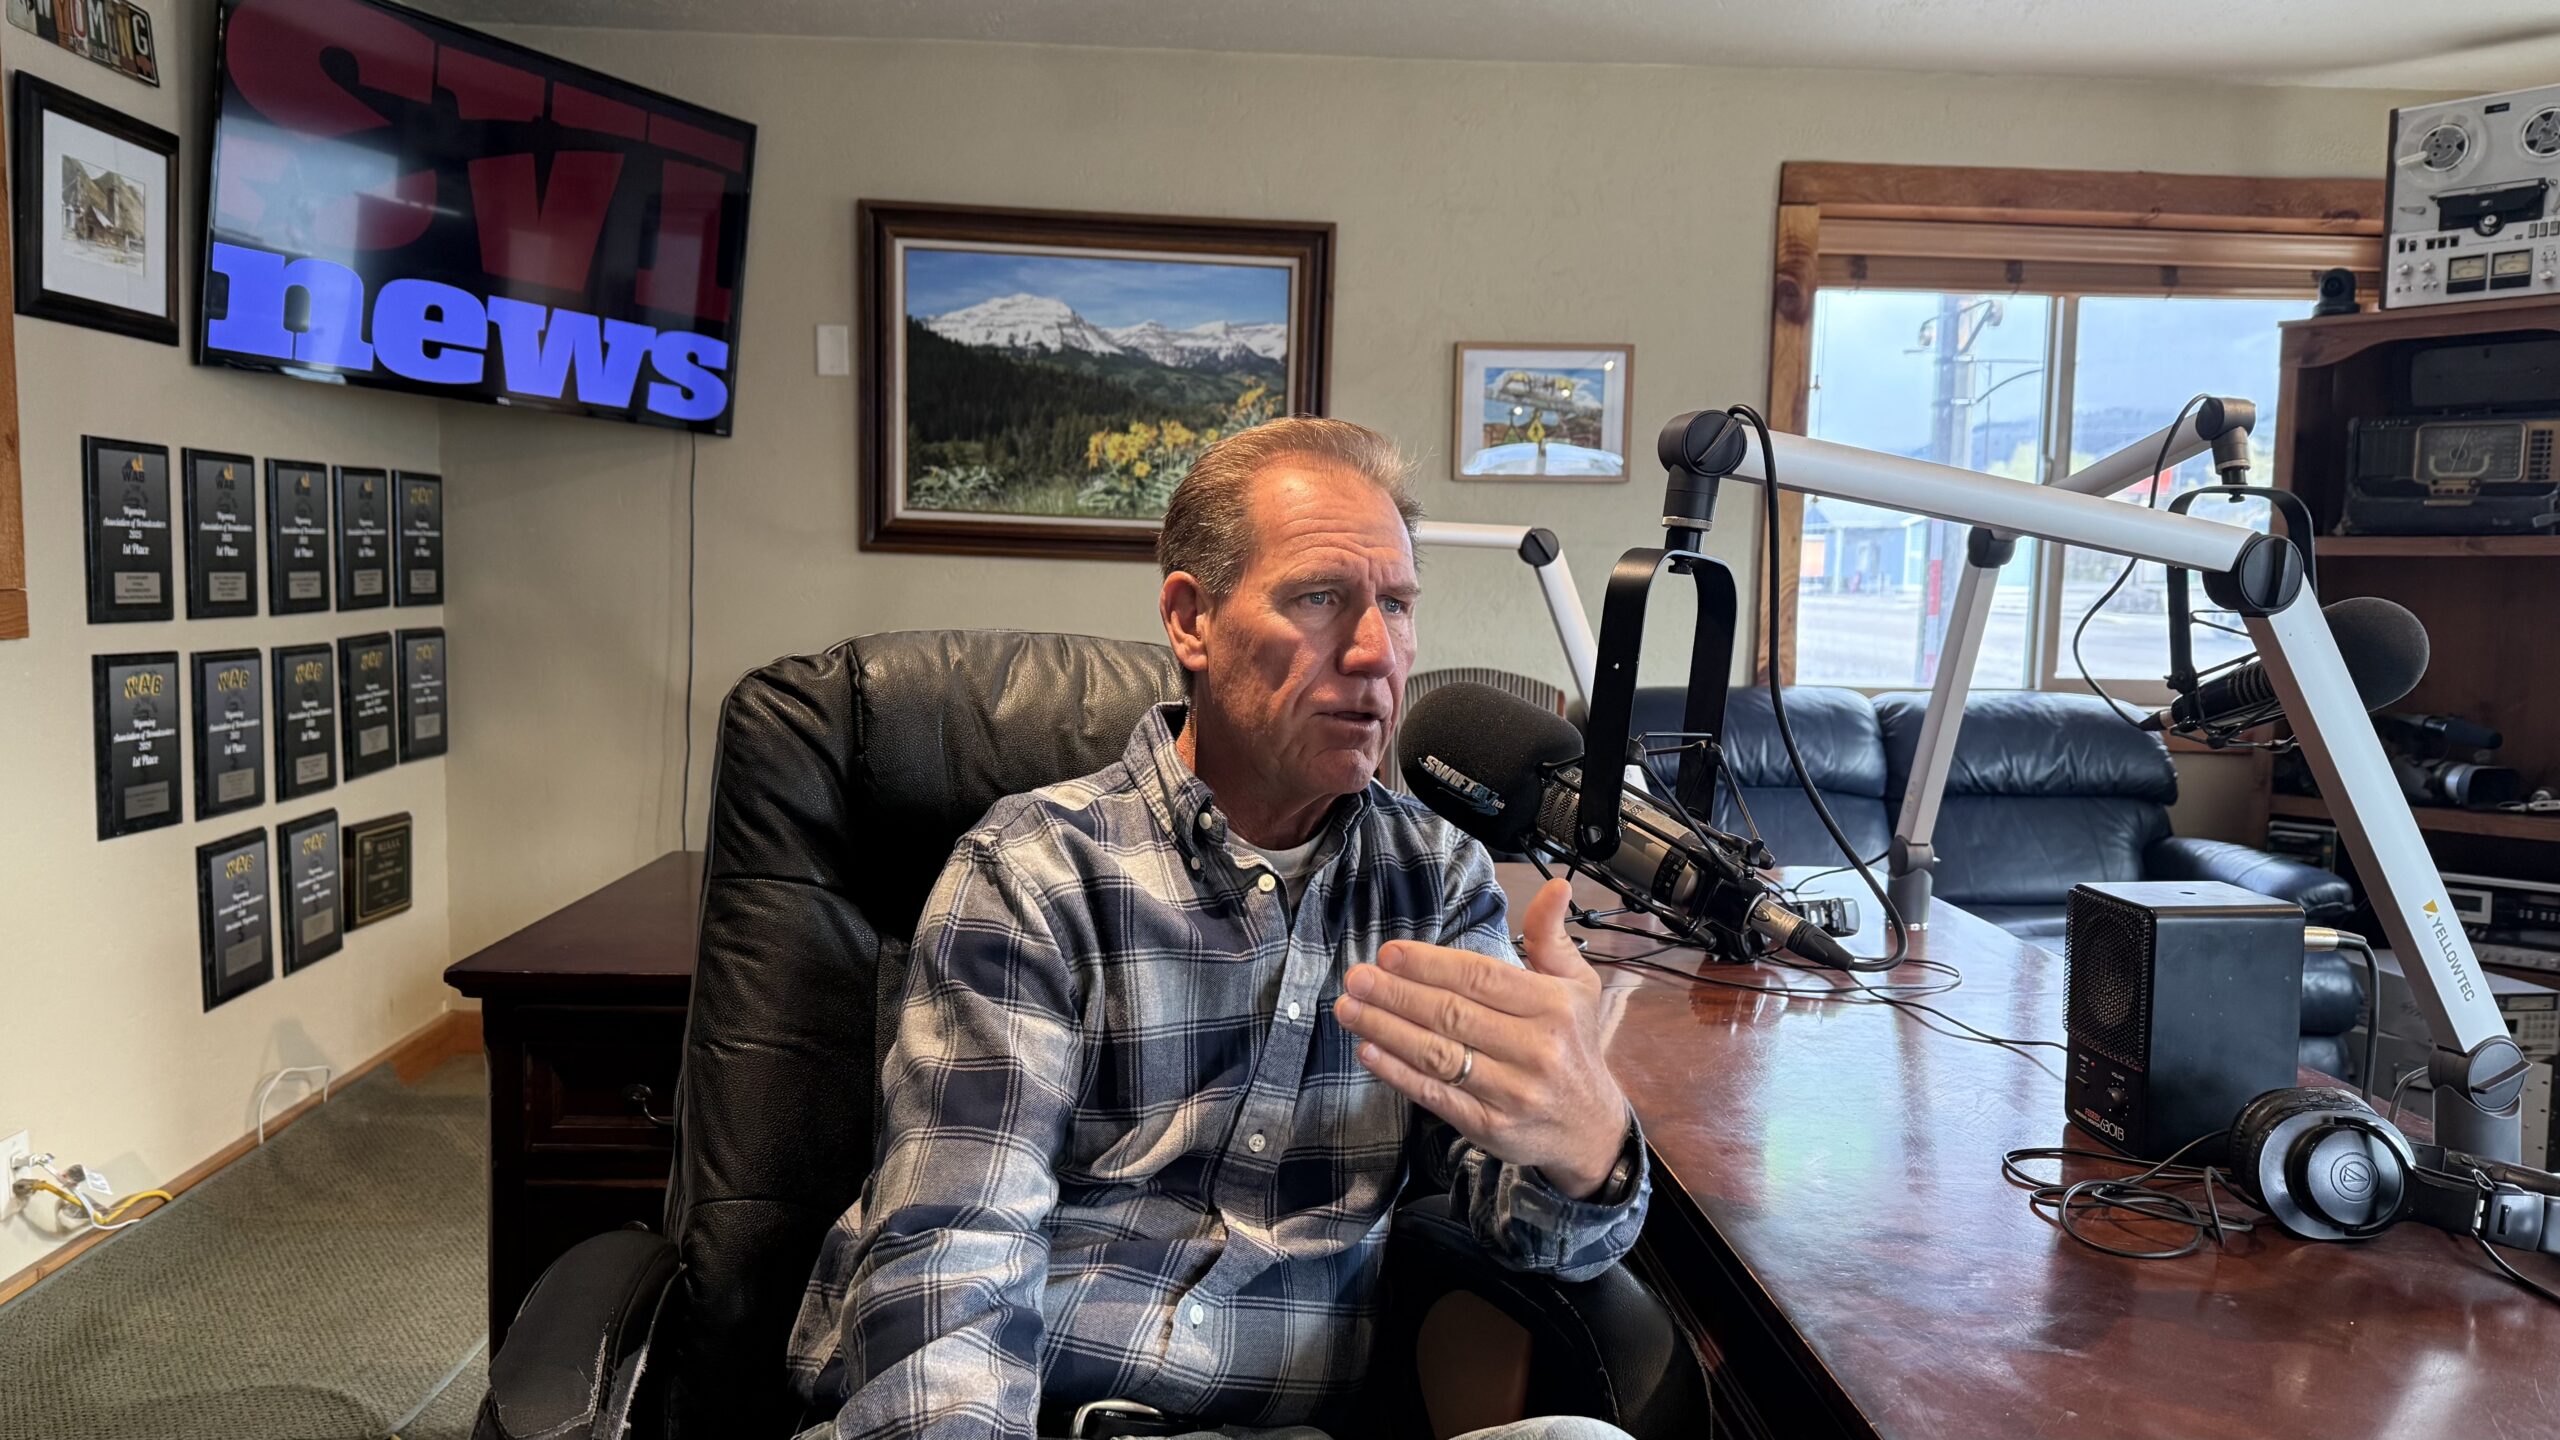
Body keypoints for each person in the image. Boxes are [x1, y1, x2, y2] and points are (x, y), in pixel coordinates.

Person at [787, 418, 1649, 1440]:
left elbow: (1525, 1231)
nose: (1376, 652)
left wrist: (1586, 1141)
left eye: (1397, 604)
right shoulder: (1036, 873)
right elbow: (951, 1260)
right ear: (1191, 621)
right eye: (1319, 598)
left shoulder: (1436, 882)